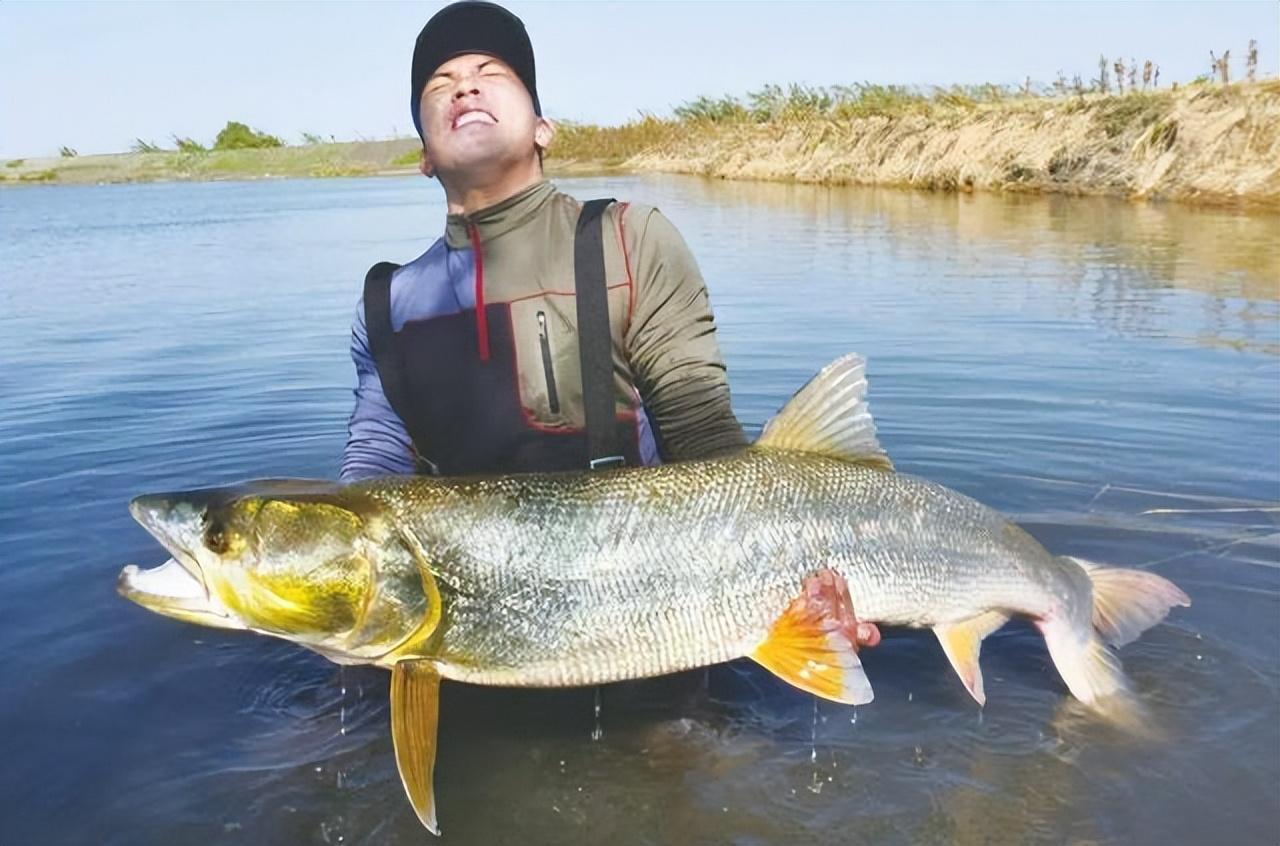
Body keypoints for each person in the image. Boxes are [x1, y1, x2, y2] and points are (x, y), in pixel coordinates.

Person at [340, 0, 747, 482]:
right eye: (440, 82)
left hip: (639, 552)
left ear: (543, 130)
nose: (465, 86)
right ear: (424, 156)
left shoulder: (629, 241)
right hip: (454, 557)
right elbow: (373, 469)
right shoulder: (385, 306)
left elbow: (705, 438)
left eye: (491, 72)